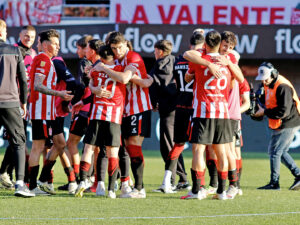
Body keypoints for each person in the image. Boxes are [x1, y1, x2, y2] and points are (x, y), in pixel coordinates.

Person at [181, 30, 242, 200]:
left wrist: (204, 66)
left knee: (198, 150)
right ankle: (222, 192)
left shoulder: (201, 59)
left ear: (205, 44)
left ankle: (197, 190)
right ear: (220, 44)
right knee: (221, 151)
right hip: (223, 111)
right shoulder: (228, 60)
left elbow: (188, 74)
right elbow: (240, 79)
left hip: (204, 110)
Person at [93, 31, 153, 198]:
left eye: (119, 47)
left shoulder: (133, 57)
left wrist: (105, 68)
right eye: (114, 48)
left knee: (133, 145)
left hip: (138, 107)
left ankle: (139, 188)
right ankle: (127, 183)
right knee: (123, 148)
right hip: (123, 109)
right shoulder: (116, 60)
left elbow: (125, 78)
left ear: (126, 44)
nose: (117, 51)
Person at [75, 43, 128, 199]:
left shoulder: (96, 70)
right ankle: (111, 189)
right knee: (113, 153)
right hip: (113, 115)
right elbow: (125, 80)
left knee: (88, 149)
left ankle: (83, 181)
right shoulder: (119, 70)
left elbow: (90, 80)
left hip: (97, 114)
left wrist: (93, 87)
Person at [152, 37, 201, 193]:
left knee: (171, 146)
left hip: (175, 108)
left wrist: (155, 101)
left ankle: (175, 180)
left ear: (159, 51)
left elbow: (159, 84)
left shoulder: (169, 63)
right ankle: (185, 180)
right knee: (189, 146)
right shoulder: (177, 60)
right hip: (187, 107)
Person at [28, 29, 73, 195]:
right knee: (37, 147)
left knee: (58, 144)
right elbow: (37, 85)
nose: (58, 47)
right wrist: (59, 94)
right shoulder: (43, 60)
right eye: (55, 44)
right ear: (45, 45)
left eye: (58, 44)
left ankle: (40, 181)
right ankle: (32, 186)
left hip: (47, 112)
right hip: (41, 111)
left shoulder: (47, 60)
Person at [253, 62, 300, 191]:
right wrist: (259, 100)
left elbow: (283, 111)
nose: (264, 81)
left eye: (266, 78)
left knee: (275, 152)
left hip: (289, 121)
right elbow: (267, 100)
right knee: (279, 151)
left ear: (273, 74)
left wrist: (264, 112)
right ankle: (298, 174)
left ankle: (274, 183)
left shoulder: (283, 86)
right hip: (281, 121)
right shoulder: (267, 84)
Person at [0, 19, 34, 197]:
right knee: (19, 142)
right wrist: (24, 102)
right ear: (2, 32)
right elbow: (23, 79)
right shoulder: (14, 50)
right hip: (10, 102)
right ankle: (20, 184)